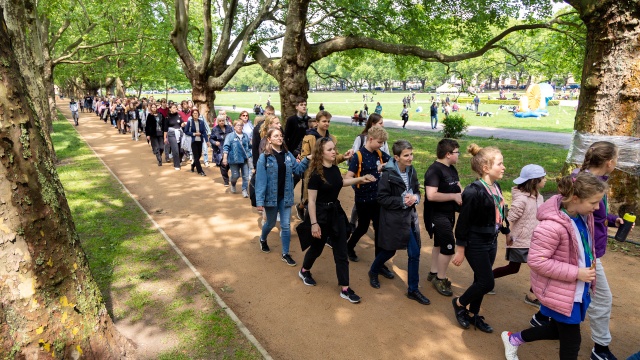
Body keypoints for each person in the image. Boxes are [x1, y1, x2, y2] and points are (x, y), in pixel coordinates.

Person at [501, 172, 605, 360]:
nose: (597, 208)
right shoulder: (551, 226)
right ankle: (513, 339)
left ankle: (513, 339)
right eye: (593, 203)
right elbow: (537, 261)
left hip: (575, 289)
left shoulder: (581, 215)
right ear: (575, 198)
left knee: (557, 330)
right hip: (563, 291)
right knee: (572, 342)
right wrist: (577, 272)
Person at [300, 137, 375, 304]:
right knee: (317, 248)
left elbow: (341, 182)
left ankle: (345, 288)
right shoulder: (315, 175)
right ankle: (305, 270)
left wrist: (360, 178)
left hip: (336, 213)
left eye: (334, 148)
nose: (334, 152)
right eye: (329, 150)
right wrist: (314, 224)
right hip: (320, 215)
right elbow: (311, 201)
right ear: (321, 153)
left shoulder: (334, 169)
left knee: (341, 252)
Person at [452, 144, 510, 333]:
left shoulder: (496, 186)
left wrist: (506, 231)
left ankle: (473, 313)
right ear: (486, 168)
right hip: (475, 243)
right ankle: (460, 303)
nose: (504, 167)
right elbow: (462, 224)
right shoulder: (473, 191)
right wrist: (460, 249)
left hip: (491, 241)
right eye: (500, 164)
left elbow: (499, 212)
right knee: (487, 282)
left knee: (480, 279)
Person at [369, 140, 430, 305]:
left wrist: (415, 198)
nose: (410, 158)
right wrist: (403, 201)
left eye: (411, 154)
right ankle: (374, 270)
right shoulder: (388, 174)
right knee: (389, 251)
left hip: (409, 218)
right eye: (406, 155)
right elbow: (381, 198)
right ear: (396, 157)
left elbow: (417, 190)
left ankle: (413, 290)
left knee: (414, 253)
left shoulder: (411, 170)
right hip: (393, 220)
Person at [492, 164, 546, 306]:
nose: (546, 180)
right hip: (521, 242)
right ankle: (485, 279)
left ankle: (532, 294)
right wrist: (508, 235)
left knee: (538, 268)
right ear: (534, 181)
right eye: (543, 177)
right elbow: (507, 220)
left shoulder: (539, 197)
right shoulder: (522, 200)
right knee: (513, 268)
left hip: (535, 241)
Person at [255, 128, 310, 265]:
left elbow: (297, 170)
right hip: (271, 197)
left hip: (285, 196)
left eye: (281, 135)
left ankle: (285, 254)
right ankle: (262, 239)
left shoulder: (287, 155)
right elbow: (260, 180)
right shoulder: (265, 157)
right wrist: (260, 201)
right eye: (276, 136)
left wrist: (307, 159)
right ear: (269, 139)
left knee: (286, 225)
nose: (280, 138)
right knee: (271, 223)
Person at [297, 111, 353, 222]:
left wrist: (344, 157)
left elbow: (334, 158)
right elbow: (304, 158)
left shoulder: (332, 139)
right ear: (317, 122)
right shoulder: (310, 138)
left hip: (329, 173)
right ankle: (310, 223)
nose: (327, 123)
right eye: (324, 121)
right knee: (310, 201)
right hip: (313, 174)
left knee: (325, 201)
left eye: (328, 121)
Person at [346, 126, 391, 263]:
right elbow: (347, 179)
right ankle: (349, 246)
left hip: (377, 198)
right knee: (363, 227)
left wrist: (385, 166)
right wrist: (361, 179)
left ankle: (379, 262)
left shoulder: (378, 153)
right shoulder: (358, 156)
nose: (381, 145)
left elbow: (392, 161)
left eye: (383, 143)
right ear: (370, 139)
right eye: (379, 142)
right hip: (363, 199)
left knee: (379, 228)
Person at [423, 139, 462, 297]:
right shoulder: (434, 170)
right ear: (448, 154)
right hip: (436, 214)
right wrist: (453, 196)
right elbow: (431, 196)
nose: (458, 155)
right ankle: (440, 278)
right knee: (448, 245)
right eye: (457, 153)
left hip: (448, 213)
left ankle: (433, 272)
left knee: (439, 243)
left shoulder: (451, 169)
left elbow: (459, 187)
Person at [223, 120, 252, 196]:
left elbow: (249, 146)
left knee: (245, 176)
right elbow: (226, 147)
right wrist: (225, 158)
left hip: (244, 159)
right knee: (236, 175)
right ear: (234, 127)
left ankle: (244, 190)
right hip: (234, 159)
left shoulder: (245, 136)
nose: (239, 127)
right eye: (237, 125)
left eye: (241, 125)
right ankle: (233, 183)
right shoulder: (230, 136)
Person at [184, 109, 209, 176]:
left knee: (199, 155)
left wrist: (207, 141)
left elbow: (204, 132)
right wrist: (194, 134)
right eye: (194, 113)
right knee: (196, 156)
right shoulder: (190, 122)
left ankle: (193, 165)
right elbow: (186, 131)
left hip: (200, 141)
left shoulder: (201, 122)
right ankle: (200, 171)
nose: (195, 114)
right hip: (193, 141)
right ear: (192, 114)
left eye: (197, 113)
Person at [210, 114, 232, 185]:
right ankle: (226, 180)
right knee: (222, 165)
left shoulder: (229, 128)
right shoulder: (215, 129)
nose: (222, 122)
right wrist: (215, 142)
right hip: (219, 149)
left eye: (223, 120)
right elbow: (211, 139)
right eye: (220, 121)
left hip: (229, 148)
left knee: (228, 164)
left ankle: (226, 175)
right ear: (217, 121)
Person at [163, 103, 184, 170]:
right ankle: (176, 165)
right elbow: (165, 129)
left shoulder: (178, 116)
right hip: (171, 134)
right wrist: (165, 138)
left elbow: (181, 123)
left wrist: (183, 124)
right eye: (174, 107)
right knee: (175, 150)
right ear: (170, 109)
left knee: (181, 150)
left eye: (176, 107)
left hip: (179, 133)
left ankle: (179, 160)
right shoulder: (167, 117)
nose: (175, 109)